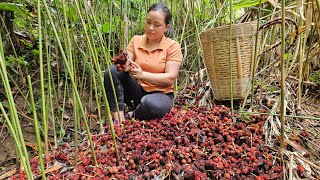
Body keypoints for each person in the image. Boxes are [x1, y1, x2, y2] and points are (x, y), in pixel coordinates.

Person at [104, 2, 183, 124]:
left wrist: (142, 75)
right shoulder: (136, 40)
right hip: (138, 92)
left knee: (150, 104)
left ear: (166, 27)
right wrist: (125, 65)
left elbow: (170, 78)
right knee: (112, 71)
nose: (151, 28)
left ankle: (133, 115)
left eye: (157, 25)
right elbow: (126, 61)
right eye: (148, 22)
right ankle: (118, 120)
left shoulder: (172, 46)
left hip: (161, 96)